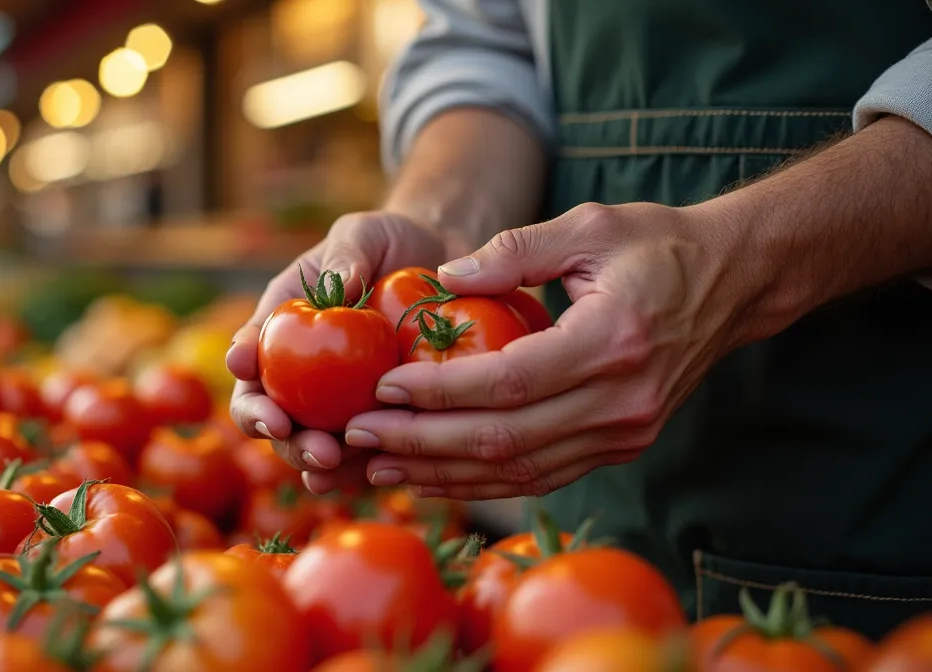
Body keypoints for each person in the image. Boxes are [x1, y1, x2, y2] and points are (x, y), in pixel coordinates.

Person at [228, 0, 932, 638]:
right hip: (577, 535)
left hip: (892, 506)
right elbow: (486, 41)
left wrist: (742, 259)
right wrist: (440, 228)